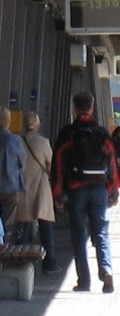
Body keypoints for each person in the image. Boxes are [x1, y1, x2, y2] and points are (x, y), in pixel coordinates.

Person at [52, 91, 120, 293]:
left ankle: (84, 281)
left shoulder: (68, 133)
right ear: (92, 108)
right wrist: (114, 189)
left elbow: (58, 164)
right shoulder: (102, 133)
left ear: (74, 109)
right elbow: (112, 163)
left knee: (79, 234)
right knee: (101, 231)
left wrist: (57, 193)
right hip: (99, 187)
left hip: (76, 188)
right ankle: (106, 271)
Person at [17, 111, 61, 273]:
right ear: (37, 124)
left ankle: (20, 263)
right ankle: (49, 263)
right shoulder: (43, 142)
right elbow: (52, 165)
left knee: (23, 227)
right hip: (41, 188)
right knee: (45, 227)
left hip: (22, 188)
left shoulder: (18, 141)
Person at [0, 107, 27, 244]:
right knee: (8, 224)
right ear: (8, 121)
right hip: (10, 187)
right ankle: (4, 252)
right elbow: (23, 162)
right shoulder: (14, 140)